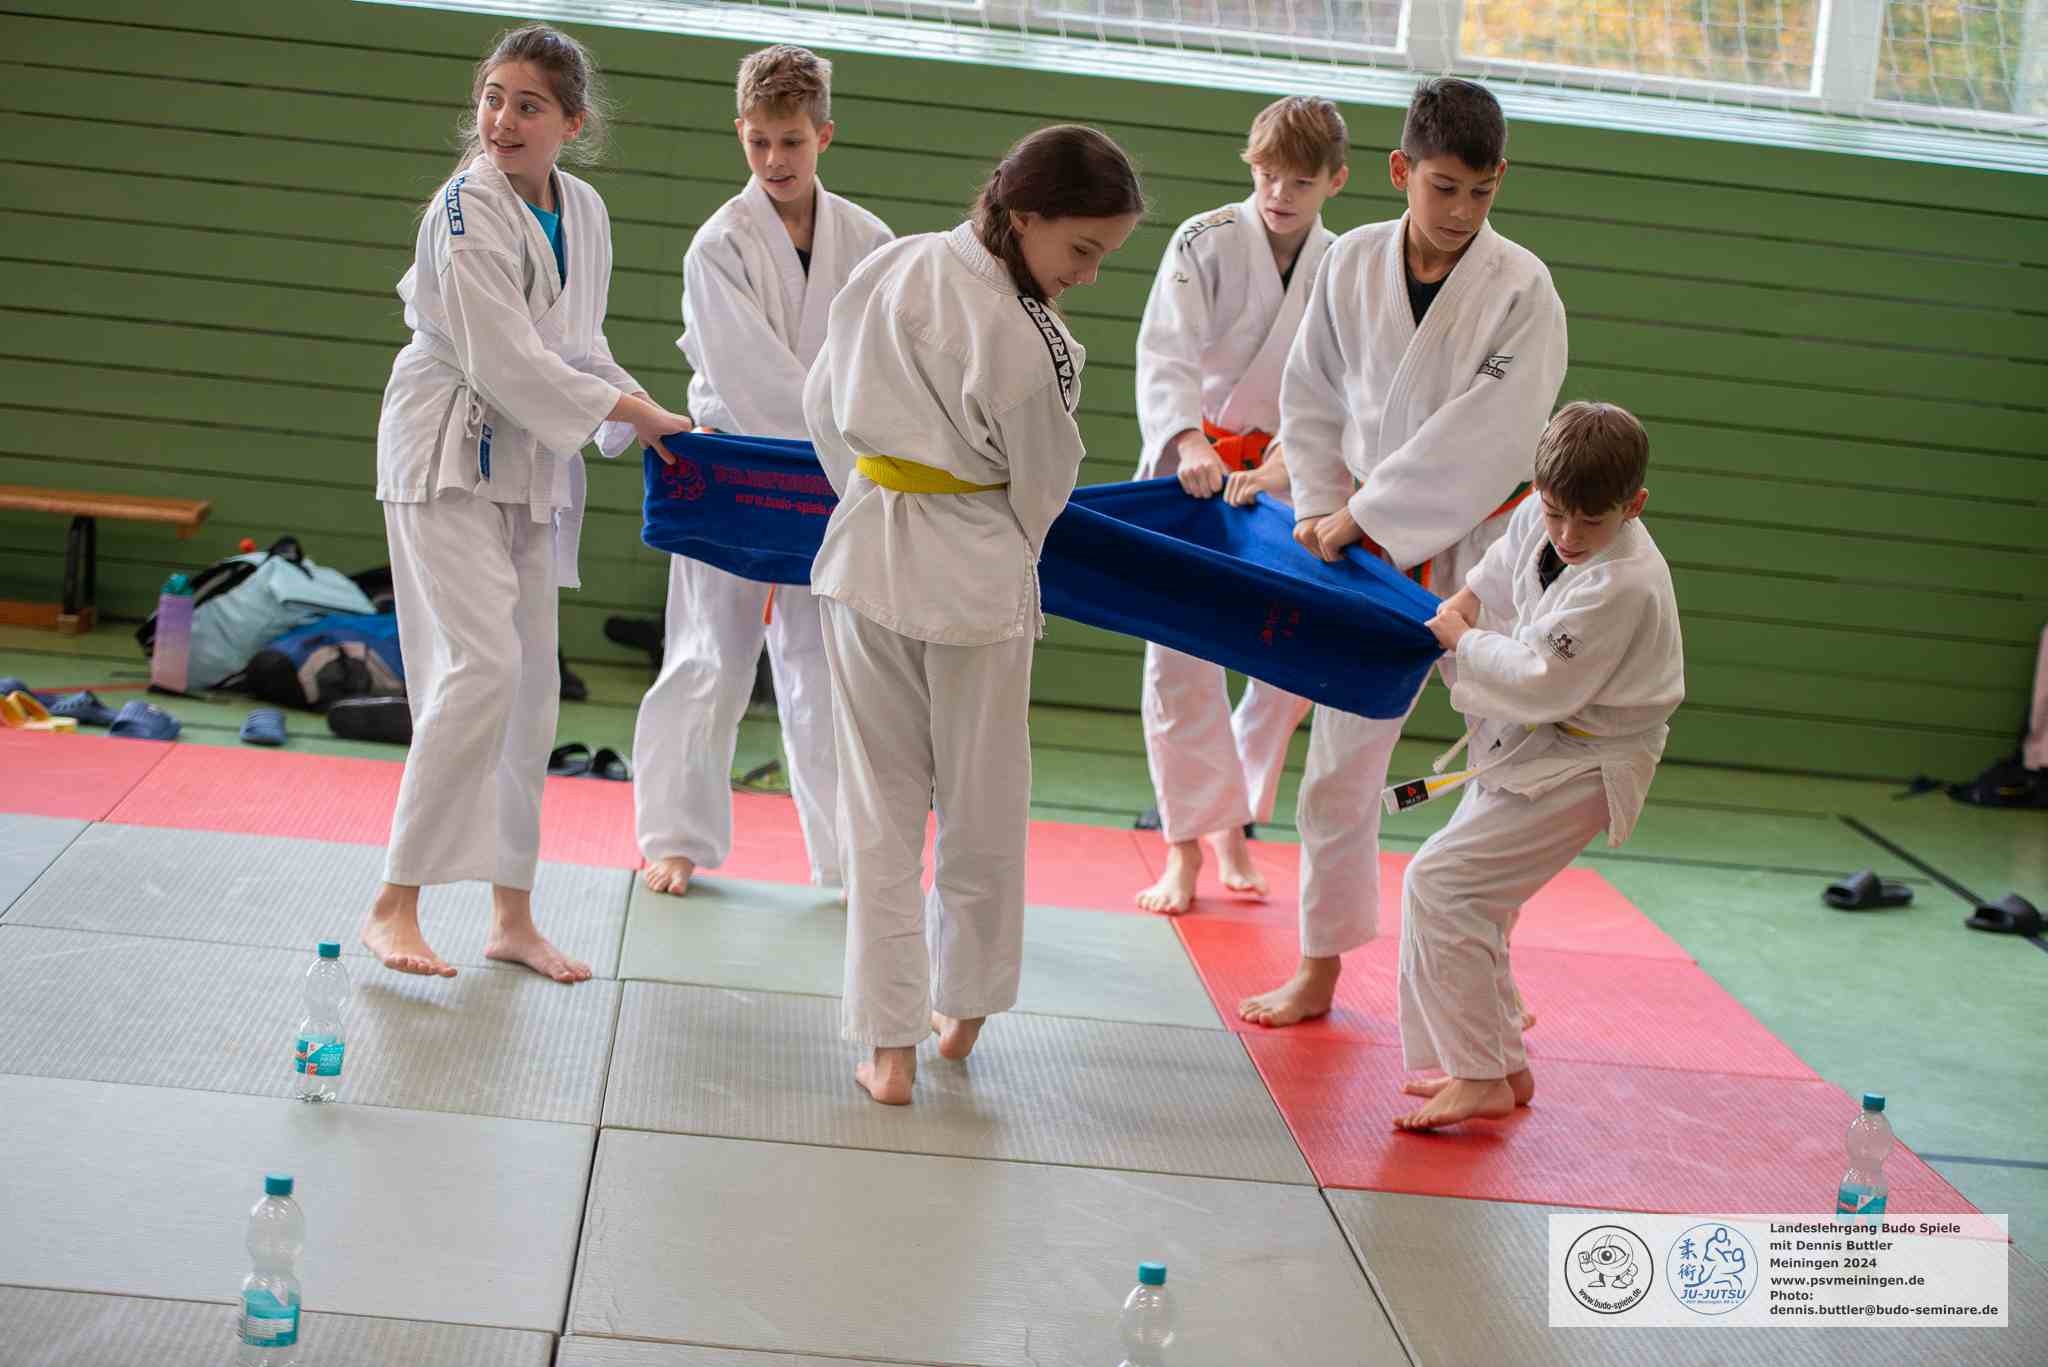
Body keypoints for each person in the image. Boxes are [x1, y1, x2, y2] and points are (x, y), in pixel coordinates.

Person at [805, 126, 1144, 1104]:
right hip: (975, 578)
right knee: (981, 804)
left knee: (878, 812)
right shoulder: (1036, 343)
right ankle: (962, 1008)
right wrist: (990, 536)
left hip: (866, 549)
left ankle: (888, 1044)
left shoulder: (890, 265)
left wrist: (877, 490)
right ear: (1025, 217)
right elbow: (1045, 483)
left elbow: (822, 404)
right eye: (1081, 248)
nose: (1087, 273)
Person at [364, 24, 691, 982]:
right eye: (494, 98)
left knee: (532, 687)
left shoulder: (582, 208)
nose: (502, 119)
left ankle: (512, 915)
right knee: (480, 666)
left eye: (529, 105)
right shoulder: (464, 206)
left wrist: (656, 417)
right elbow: (504, 359)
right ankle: (394, 901)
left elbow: (578, 347)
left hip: (528, 459)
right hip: (445, 447)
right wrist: (633, 415)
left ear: (573, 124)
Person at [1241, 76, 1568, 1027]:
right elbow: (1309, 395)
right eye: (1443, 187)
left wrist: (1370, 512)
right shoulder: (1349, 264)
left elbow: (1495, 432)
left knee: (1506, 765)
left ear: (1501, 180)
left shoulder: (1524, 288)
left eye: (1481, 191)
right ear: (1399, 171)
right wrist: (1323, 507)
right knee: (1338, 767)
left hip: (1483, 551)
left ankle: (1488, 970)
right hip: (1359, 551)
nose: (1462, 210)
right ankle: (1319, 967)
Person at [632, 44, 893, 898]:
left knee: (828, 665)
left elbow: (883, 361)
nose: (774, 160)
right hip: (736, 462)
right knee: (707, 653)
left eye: (791, 142)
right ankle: (675, 836)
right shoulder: (718, 244)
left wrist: (857, 459)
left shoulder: (871, 242)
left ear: (826, 135)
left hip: (838, 475)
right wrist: (837, 446)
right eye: (758, 143)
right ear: (739, 132)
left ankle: (849, 860)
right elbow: (747, 376)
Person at [1393, 402, 1684, 1129]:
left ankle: (1480, 1073)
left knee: (1442, 885)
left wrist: (1462, 641)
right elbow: (1497, 571)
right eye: (1555, 513)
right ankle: (1499, 1068)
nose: (1567, 535)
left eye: (1590, 521)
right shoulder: (1541, 513)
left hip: (1589, 757)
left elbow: (1541, 680)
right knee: (1471, 899)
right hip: (1539, 740)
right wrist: (1462, 604)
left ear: (1634, 506)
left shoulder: (1623, 581)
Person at [1131, 96, 1348, 915]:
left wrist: (1295, 459)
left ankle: (1234, 818)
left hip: (1290, 474)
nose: (1280, 194)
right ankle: (1184, 847)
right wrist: (1188, 438)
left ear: (1335, 181)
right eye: (1267, 175)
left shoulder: (1345, 265)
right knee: (1179, 656)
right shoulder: (1205, 239)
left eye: (1300, 181)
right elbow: (1166, 348)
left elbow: (1344, 381)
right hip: (1192, 468)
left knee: (1289, 656)